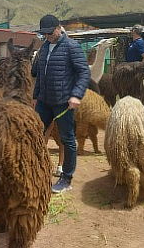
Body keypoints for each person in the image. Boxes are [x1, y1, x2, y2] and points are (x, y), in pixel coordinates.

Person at [32, 14, 90, 193]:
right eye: (44, 34)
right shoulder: (44, 48)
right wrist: (35, 96)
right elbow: (38, 74)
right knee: (35, 134)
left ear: (59, 28)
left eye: (50, 32)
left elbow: (83, 73)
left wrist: (76, 95)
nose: (47, 36)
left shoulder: (72, 47)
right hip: (44, 101)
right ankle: (35, 170)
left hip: (63, 102)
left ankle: (66, 178)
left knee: (67, 139)